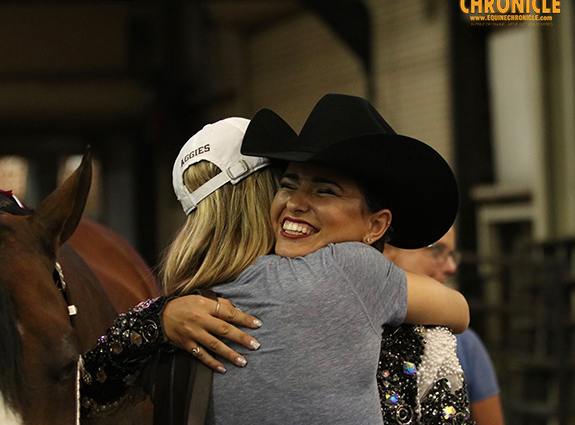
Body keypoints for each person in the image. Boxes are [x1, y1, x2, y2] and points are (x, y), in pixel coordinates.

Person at [81, 96, 471, 424]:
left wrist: (157, 319)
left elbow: (86, 387)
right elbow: (460, 310)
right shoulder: (381, 297)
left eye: (325, 191)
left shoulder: (195, 310)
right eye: (287, 184)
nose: (297, 203)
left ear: (376, 225)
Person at [384, 227, 505, 424]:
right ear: (386, 249)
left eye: (452, 255)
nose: (451, 267)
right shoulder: (355, 338)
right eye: (437, 250)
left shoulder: (465, 343)